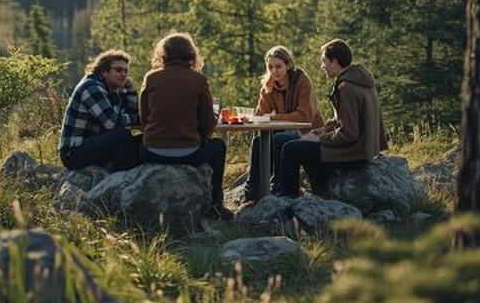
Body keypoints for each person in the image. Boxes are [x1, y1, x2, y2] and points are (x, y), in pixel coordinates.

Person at [139, 32, 233, 220]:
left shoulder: (151, 78)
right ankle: (215, 204)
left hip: (152, 151)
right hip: (189, 152)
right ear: (191, 54)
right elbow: (208, 124)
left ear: (163, 54)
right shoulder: (198, 80)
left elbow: (144, 119)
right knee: (218, 147)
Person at [277, 39, 388, 197]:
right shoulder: (359, 80)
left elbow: (349, 133)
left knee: (291, 149)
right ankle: (320, 189)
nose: (322, 66)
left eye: (324, 61)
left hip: (353, 153)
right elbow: (342, 121)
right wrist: (320, 132)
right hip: (364, 149)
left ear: (334, 62)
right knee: (299, 143)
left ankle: (288, 196)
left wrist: (320, 139)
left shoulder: (346, 88)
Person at [242, 45, 324, 202]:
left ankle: (278, 187)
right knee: (259, 141)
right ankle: (253, 190)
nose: (274, 71)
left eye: (278, 66)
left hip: (309, 132)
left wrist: (272, 118)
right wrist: (251, 119)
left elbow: (303, 117)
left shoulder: (301, 81)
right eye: (270, 67)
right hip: (282, 130)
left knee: (279, 139)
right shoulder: (268, 86)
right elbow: (261, 115)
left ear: (288, 65)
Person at [58, 50, 141, 172]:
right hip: (73, 152)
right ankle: (120, 180)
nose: (124, 75)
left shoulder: (116, 91)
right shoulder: (91, 87)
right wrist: (134, 120)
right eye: (118, 70)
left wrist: (131, 91)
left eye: (126, 71)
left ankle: (129, 176)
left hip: (93, 144)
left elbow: (133, 118)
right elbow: (112, 123)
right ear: (104, 72)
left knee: (137, 138)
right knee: (121, 136)